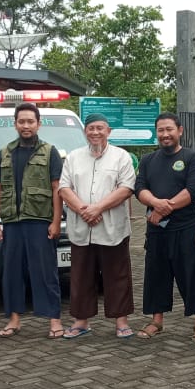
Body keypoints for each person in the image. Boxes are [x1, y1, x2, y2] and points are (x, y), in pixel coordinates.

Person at [0, 102, 65, 339]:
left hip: (39, 221)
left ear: (38, 124)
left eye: (30, 121)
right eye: (21, 121)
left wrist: (56, 221)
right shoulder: (5, 152)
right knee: (12, 273)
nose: (26, 125)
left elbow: (57, 188)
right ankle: (14, 320)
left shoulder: (49, 152)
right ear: (15, 124)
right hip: (12, 222)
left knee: (45, 272)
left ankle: (54, 320)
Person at [58, 112, 137, 339]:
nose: (95, 132)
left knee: (117, 275)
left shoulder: (121, 157)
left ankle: (121, 322)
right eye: (91, 128)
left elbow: (126, 188)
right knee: (81, 276)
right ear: (85, 132)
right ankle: (81, 322)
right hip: (82, 228)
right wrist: (85, 210)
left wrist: (98, 208)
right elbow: (64, 188)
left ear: (108, 131)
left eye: (100, 128)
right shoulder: (73, 157)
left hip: (113, 228)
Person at [134, 113, 195, 341]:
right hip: (157, 231)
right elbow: (140, 188)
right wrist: (155, 203)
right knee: (156, 276)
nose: (165, 134)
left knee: (192, 275)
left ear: (180, 131)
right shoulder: (148, 160)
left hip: (186, 228)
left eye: (169, 129)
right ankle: (156, 321)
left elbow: (193, 190)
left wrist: (163, 209)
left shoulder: (193, 158)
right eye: (161, 130)